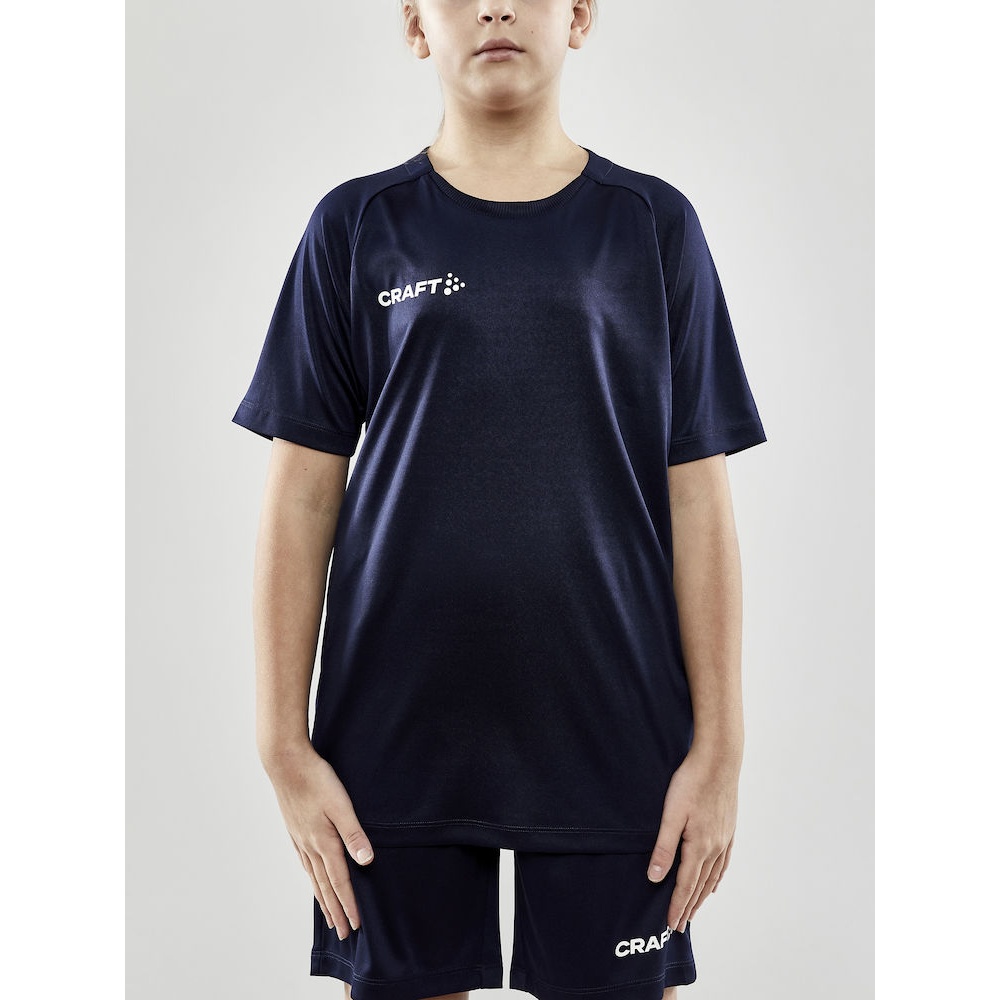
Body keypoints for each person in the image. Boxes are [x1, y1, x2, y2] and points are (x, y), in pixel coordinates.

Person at [231, 2, 767, 999]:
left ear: (580, 15)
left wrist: (722, 751)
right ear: (413, 26)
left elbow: (698, 502)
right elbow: (300, 502)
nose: (494, 6)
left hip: (616, 727)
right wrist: (280, 745)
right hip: (394, 732)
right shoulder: (355, 226)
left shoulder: (653, 226)